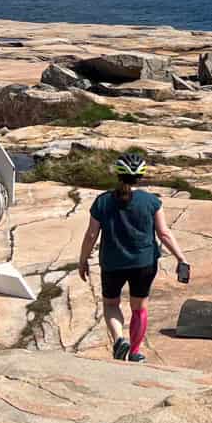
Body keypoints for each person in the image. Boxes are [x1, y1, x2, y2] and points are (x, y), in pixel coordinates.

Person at [77, 153, 190, 363]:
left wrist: (82, 260)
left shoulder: (102, 202)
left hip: (112, 263)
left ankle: (120, 340)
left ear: (117, 174)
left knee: (111, 304)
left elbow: (91, 234)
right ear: (142, 176)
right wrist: (181, 258)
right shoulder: (152, 201)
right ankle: (136, 352)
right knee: (139, 308)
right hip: (144, 263)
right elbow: (164, 233)